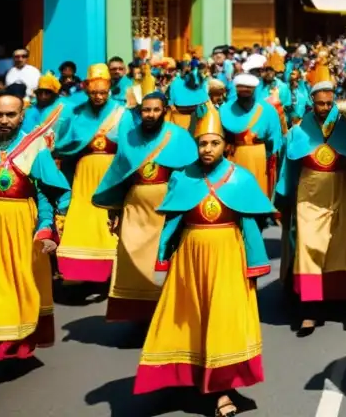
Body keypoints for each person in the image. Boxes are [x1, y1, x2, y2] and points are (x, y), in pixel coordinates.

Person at [133, 104, 274, 416]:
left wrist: (255, 265)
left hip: (227, 257)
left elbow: (249, 226)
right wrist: (162, 259)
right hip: (189, 259)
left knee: (223, 321)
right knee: (186, 319)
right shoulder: (182, 178)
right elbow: (172, 223)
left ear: (226, 145)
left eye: (214, 142)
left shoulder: (242, 178)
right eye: (202, 143)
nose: (207, 149)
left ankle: (222, 390)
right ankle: (185, 376)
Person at [0, 86, 70, 393]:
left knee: (13, 292)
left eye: (10, 114)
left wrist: (45, 228)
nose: (4, 120)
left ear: (22, 115)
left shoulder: (36, 147)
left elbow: (44, 193)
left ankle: (3, 348)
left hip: (19, 229)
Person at [90, 92, 197, 323]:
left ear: (165, 110)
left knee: (166, 261)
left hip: (168, 212)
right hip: (135, 210)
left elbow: (192, 176)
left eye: (155, 110)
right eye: (146, 110)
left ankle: (168, 314)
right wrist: (114, 211)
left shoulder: (179, 136)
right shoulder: (128, 138)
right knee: (133, 262)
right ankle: (141, 316)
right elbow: (119, 176)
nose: (150, 115)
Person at [276, 73, 346, 336]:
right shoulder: (297, 133)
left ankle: (335, 302)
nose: (325, 108)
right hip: (309, 198)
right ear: (311, 103)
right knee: (308, 249)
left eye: (328, 103)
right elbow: (287, 171)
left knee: (339, 248)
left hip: (340, 196)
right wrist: (284, 201)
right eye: (320, 103)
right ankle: (310, 311)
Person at [53, 63, 126, 283]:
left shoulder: (122, 113)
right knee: (83, 216)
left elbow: (128, 147)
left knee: (108, 220)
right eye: (94, 92)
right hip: (83, 175)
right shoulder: (77, 114)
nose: (98, 97)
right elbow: (65, 144)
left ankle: (112, 271)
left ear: (109, 90)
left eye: (102, 92)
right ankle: (80, 272)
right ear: (87, 90)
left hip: (110, 174)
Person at [220, 72, 282, 199]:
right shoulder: (225, 109)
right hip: (234, 158)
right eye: (241, 89)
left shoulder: (268, 110)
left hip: (259, 159)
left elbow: (274, 140)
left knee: (257, 194)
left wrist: (268, 158)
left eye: (249, 89)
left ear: (255, 90)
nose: (245, 92)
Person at [21, 71, 67, 149]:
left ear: (55, 95)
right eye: (40, 93)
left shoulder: (62, 110)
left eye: (47, 93)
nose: (43, 96)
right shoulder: (28, 109)